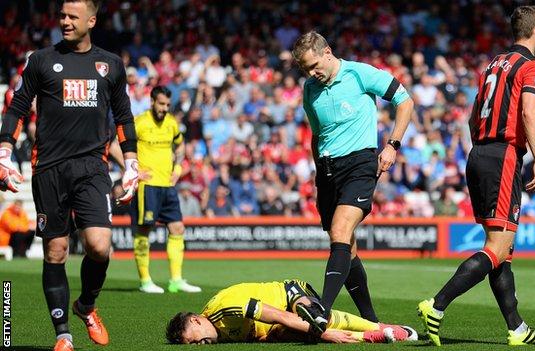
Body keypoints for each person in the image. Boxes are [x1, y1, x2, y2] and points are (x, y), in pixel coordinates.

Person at [0, 1, 139, 351]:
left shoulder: (111, 65)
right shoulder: (41, 60)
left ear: (91, 21)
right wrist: (3, 150)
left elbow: (123, 117)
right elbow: (18, 107)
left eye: (72, 17)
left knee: (99, 246)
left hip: (93, 168)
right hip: (49, 168)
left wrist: (132, 162)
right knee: (56, 252)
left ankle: (86, 306)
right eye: (62, 15)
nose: (64, 21)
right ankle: (63, 335)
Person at [417, 6, 535, 346]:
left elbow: (473, 114)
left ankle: (517, 328)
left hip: (479, 153)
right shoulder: (532, 66)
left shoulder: (494, 64)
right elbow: (528, 110)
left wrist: (482, 149)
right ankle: (437, 304)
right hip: (504, 156)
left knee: (501, 251)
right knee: (497, 247)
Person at [291, 31, 414, 334]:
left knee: (340, 230)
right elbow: (317, 135)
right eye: (306, 69)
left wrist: (392, 145)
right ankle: (372, 322)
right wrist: (318, 171)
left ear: (328, 52)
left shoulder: (360, 74)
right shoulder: (310, 89)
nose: (311, 73)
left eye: (314, 65)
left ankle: (323, 310)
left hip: (360, 163)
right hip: (327, 170)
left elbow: (404, 100)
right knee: (348, 247)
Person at [165, 279, 417, 344]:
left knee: (316, 319)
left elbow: (280, 315)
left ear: (196, 321)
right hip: (276, 321)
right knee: (291, 333)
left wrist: (324, 334)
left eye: (195, 341)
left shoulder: (226, 309)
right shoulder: (218, 332)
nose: (201, 345)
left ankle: (380, 327)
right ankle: (372, 337)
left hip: (290, 293)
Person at [132, 85, 201, 294]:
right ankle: (145, 281)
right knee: (144, 230)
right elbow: (119, 144)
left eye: (168, 105)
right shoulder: (140, 122)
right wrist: (134, 170)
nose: (164, 108)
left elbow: (180, 146)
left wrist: (178, 168)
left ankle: (176, 280)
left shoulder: (171, 123)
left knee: (177, 228)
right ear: (152, 102)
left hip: (168, 185)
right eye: (161, 104)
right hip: (147, 185)